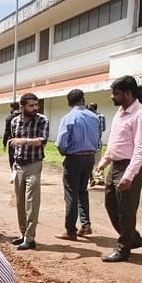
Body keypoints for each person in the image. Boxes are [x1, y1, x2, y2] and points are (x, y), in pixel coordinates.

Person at [96, 76, 142, 262]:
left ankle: (123, 249)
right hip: (116, 164)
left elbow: (140, 148)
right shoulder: (120, 112)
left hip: (129, 166)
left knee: (125, 209)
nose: (112, 97)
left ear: (128, 94)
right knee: (111, 204)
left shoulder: (141, 115)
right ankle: (133, 238)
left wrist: (129, 175)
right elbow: (115, 141)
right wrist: (105, 161)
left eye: (116, 93)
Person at [55, 89, 102, 239]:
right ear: (83, 99)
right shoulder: (95, 117)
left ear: (69, 102)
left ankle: (70, 230)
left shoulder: (68, 118)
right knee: (83, 191)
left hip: (74, 158)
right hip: (89, 157)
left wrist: (65, 153)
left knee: (71, 194)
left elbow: (61, 143)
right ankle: (86, 224)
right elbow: (98, 138)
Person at [7, 93, 49, 250]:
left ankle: (30, 238)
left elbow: (42, 141)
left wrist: (24, 141)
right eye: (31, 105)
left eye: (36, 105)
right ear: (22, 106)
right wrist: (13, 166)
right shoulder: (15, 122)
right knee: (19, 203)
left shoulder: (42, 120)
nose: (35, 108)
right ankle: (23, 233)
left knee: (32, 202)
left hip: (34, 165)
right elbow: (13, 143)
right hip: (19, 166)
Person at [88, 103, 107, 187]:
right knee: (98, 161)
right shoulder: (101, 116)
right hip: (98, 142)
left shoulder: (88, 117)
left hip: (88, 143)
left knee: (89, 162)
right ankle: (100, 178)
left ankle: (91, 178)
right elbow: (103, 129)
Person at [2, 102, 22, 169]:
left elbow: (6, 132)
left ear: (11, 108)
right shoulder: (24, 116)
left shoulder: (10, 118)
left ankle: (15, 176)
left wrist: (4, 143)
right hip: (23, 141)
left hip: (12, 142)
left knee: (13, 161)